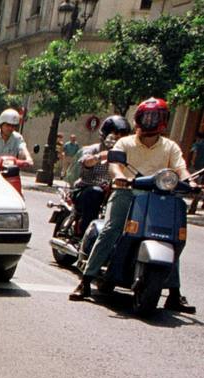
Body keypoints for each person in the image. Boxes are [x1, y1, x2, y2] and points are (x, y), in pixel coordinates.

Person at [70, 97, 195, 311]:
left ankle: (174, 293)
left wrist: (190, 181)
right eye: (146, 116)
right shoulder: (125, 142)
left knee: (173, 238)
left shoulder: (170, 146)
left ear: (164, 120)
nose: (150, 121)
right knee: (111, 230)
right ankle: (86, 280)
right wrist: (119, 177)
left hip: (158, 197)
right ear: (138, 118)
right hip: (126, 192)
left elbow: (180, 168)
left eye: (155, 117)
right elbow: (115, 165)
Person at [69, 115, 131, 240]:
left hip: (113, 192)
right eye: (115, 135)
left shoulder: (127, 154)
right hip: (86, 190)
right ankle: (86, 235)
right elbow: (85, 162)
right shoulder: (93, 149)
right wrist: (100, 157)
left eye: (122, 136)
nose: (118, 139)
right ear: (105, 134)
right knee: (95, 192)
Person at [189, 129, 204, 215]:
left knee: (194, 186)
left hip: (197, 167)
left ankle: (192, 207)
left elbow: (193, 152)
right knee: (201, 187)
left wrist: (193, 162)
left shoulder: (197, 144)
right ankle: (195, 205)